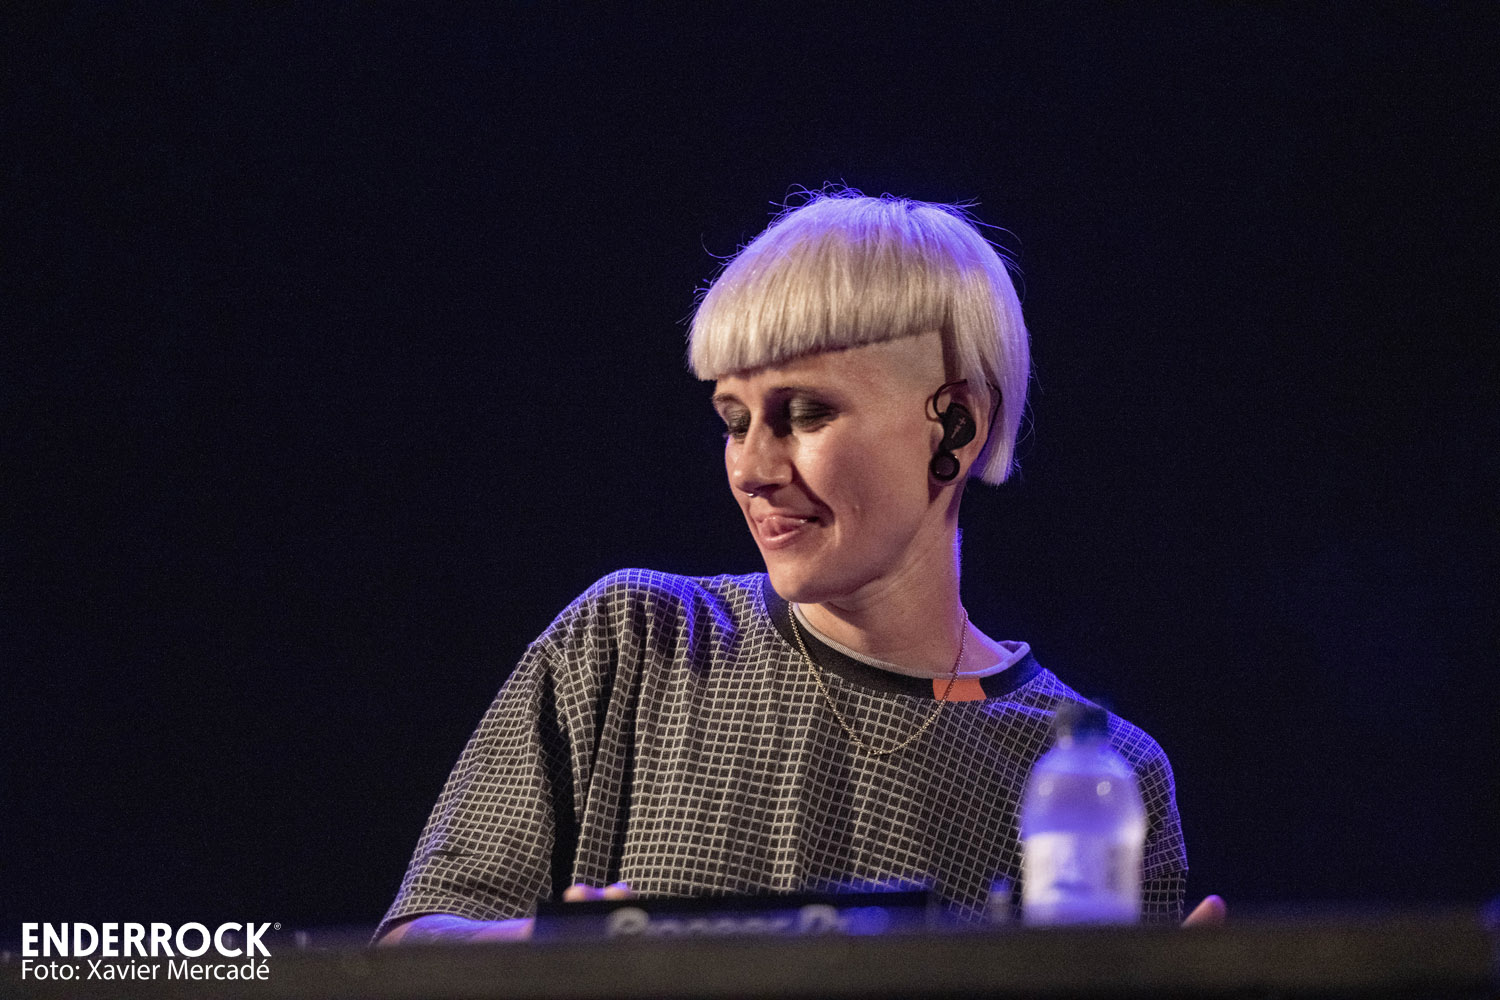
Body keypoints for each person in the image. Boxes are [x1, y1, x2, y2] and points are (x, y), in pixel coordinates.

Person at [376, 190, 1217, 945]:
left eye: (805, 414)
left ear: (955, 426)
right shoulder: (635, 641)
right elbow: (408, 954)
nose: (751, 468)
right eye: (734, 421)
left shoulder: (1095, 776)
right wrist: (549, 956)